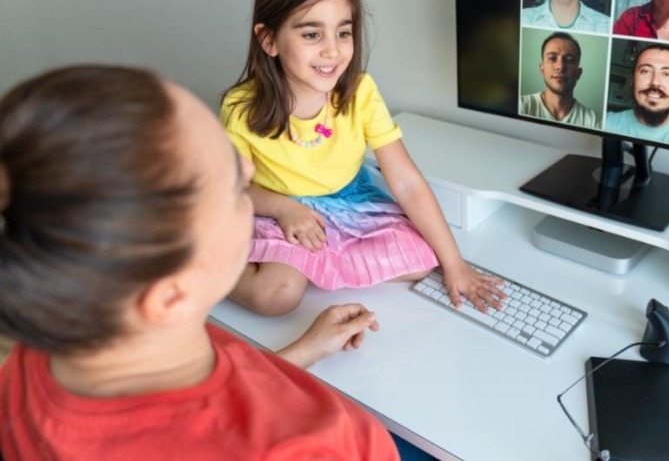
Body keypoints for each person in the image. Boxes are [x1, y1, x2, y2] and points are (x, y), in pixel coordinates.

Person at [0, 66, 399, 459]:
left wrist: (304, 352)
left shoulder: (38, 356)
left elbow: (203, 410)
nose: (249, 168)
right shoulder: (327, 446)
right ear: (172, 294)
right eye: (236, 188)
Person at [221, 0, 506, 317]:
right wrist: (284, 208)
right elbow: (236, 190)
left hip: (349, 203)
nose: (333, 50)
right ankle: (209, 265)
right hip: (277, 208)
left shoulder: (360, 91)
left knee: (423, 261)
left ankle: (312, 262)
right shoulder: (242, 106)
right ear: (269, 40)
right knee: (276, 295)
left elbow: (406, 183)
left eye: (343, 32)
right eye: (312, 34)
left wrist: (456, 263)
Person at [605, 44, 669, 148]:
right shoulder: (605, 122)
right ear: (632, 80)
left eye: (666, 74)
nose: (655, 82)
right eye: (645, 71)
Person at [519, 32, 600, 129]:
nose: (560, 67)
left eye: (569, 60)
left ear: (578, 73)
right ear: (542, 69)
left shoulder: (592, 120)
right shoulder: (522, 106)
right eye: (552, 58)